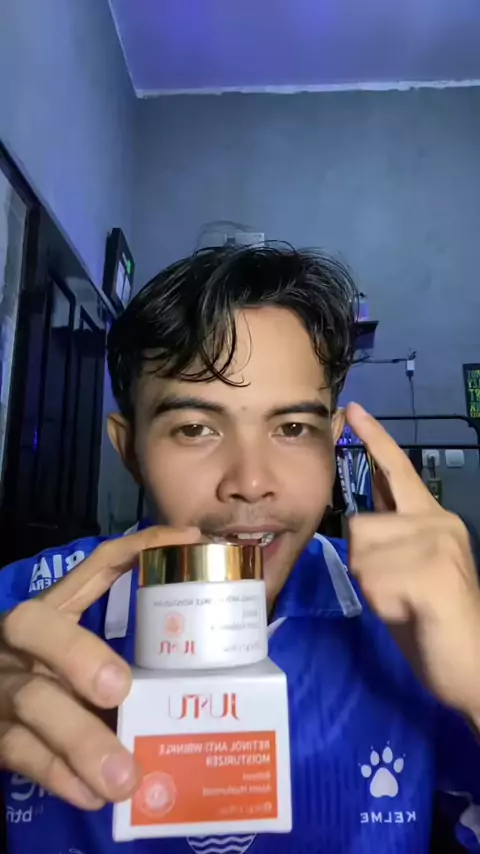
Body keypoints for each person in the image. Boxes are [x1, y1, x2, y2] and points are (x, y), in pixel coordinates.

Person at [0, 244, 479, 854]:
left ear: (333, 442)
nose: (251, 482)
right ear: (130, 450)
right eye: (195, 428)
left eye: (293, 428)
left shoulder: (420, 622)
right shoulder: (20, 615)